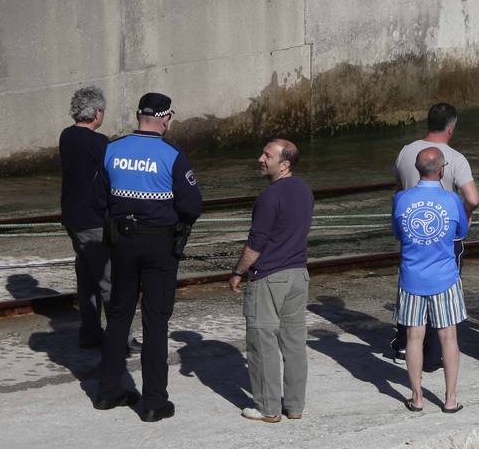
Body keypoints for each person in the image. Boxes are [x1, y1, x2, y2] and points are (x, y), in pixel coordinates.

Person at [93, 92, 203, 422]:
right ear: (165, 118)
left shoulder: (111, 150)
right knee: (155, 322)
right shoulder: (172, 155)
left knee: (118, 316)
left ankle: (108, 391)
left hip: (121, 242)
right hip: (158, 244)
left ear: (139, 115)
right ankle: (154, 401)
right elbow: (192, 205)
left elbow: (98, 199)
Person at [229, 139, 314, 424]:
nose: (260, 158)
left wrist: (238, 272)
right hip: (298, 274)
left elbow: (256, 245)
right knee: (294, 342)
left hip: (269, 277)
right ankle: (295, 405)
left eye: (268, 155)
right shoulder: (304, 190)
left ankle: (268, 408)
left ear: (284, 164)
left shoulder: (268, 197)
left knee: (262, 342)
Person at [389, 102, 479, 360]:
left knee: (410, 287)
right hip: (443, 236)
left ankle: (405, 342)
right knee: (442, 293)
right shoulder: (455, 158)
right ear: (451, 129)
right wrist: (466, 217)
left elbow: (398, 190)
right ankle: (434, 352)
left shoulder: (406, 152)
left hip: (412, 233)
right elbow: (473, 198)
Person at [393, 146, 469, 413]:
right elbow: (461, 232)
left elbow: (398, 233)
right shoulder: (452, 201)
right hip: (444, 277)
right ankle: (450, 399)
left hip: (412, 276)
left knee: (414, 337)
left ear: (417, 169)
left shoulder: (401, 199)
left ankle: (417, 398)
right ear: (442, 169)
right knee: (449, 337)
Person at [60, 86, 112, 348]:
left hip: (72, 217)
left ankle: (90, 333)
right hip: (93, 220)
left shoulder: (66, 137)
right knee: (108, 279)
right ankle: (119, 337)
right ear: (97, 112)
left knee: (87, 277)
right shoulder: (98, 143)